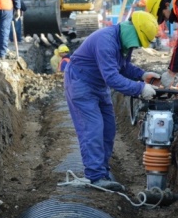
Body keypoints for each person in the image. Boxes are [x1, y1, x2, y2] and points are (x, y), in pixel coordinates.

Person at [64, 11, 161, 191]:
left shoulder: (123, 41)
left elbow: (123, 67)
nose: (137, 45)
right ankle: (95, 176)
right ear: (134, 33)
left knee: (108, 128)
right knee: (93, 128)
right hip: (81, 83)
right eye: (139, 41)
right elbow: (112, 77)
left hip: (98, 85)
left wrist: (142, 75)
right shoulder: (106, 42)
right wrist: (140, 88)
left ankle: (103, 172)